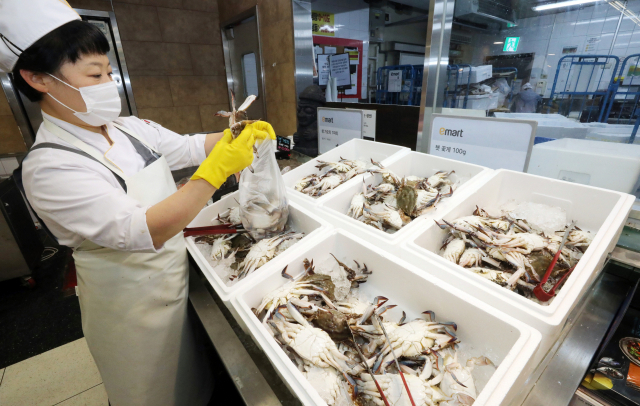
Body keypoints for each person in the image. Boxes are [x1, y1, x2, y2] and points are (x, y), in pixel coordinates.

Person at [0, 1, 276, 405]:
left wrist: (237, 134)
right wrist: (214, 173)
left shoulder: (130, 128)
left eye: (108, 72)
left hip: (177, 272)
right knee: (156, 390)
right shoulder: (49, 166)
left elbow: (189, 147)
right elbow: (143, 228)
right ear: (38, 79)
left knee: (200, 376)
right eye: (94, 74)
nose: (108, 83)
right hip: (130, 304)